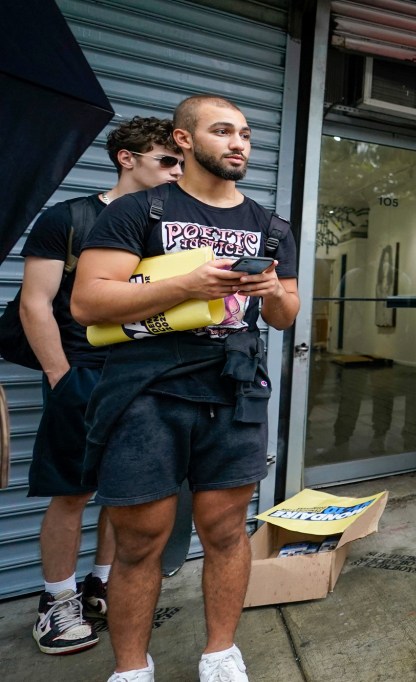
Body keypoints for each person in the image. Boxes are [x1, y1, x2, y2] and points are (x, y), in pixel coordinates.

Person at [71, 95, 299, 682]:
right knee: (141, 540)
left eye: (245, 134)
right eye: (222, 131)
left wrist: (271, 290)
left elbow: (285, 315)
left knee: (226, 530)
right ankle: (131, 668)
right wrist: (188, 283)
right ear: (183, 140)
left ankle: (220, 654)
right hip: (145, 388)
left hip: (236, 387)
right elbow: (88, 300)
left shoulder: (270, 227)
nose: (238, 143)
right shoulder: (138, 211)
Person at [21, 116, 183, 655]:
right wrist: (60, 375)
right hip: (81, 373)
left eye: (181, 162)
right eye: (166, 161)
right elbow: (35, 303)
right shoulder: (68, 218)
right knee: (72, 491)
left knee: (128, 490)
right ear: (127, 158)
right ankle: (57, 599)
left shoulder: (168, 223)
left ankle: (103, 582)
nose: (176, 171)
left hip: (143, 373)